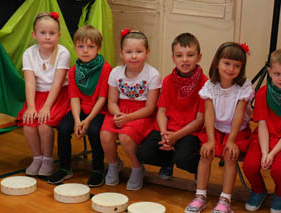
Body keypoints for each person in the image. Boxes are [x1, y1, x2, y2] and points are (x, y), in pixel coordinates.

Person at [185, 42, 255, 213]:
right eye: (227, 63)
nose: (231, 69)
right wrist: (209, 140)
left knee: (230, 155)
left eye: (237, 66)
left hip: (236, 131)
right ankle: (200, 196)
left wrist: (231, 141)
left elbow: (239, 115)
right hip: (215, 129)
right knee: (205, 153)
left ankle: (225, 200)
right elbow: (209, 114)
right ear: (217, 63)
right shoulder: (210, 86)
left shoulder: (244, 86)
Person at [136, 33, 208, 181]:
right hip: (167, 128)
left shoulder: (205, 84)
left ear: (199, 57)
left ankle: (198, 168)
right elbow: (161, 111)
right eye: (179, 55)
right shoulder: (168, 80)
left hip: (189, 131)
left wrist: (175, 137)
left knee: (183, 160)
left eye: (190, 55)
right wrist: (164, 134)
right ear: (173, 58)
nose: (185, 60)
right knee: (143, 154)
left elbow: (200, 121)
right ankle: (167, 161)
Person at [47, 25, 112, 187]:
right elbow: (74, 98)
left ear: (98, 48)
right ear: (75, 47)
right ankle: (65, 168)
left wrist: (88, 120)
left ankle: (98, 169)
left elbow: (102, 99)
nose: (85, 51)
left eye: (90, 47)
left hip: (98, 110)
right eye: (81, 46)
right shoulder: (74, 70)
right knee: (63, 128)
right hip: (79, 110)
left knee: (94, 131)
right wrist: (77, 120)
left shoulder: (105, 69)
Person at [100, 29, 161, 191]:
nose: (134, 56)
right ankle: (114, 164)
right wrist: (117, 113)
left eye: (139, 51)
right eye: (129, 52)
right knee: (105, 134)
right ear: (121, 53)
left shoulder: (153, 74)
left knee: (126, 136)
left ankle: (137, 167)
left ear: (147, 53)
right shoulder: (115, 72)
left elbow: (150, 108)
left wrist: (128, 118)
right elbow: (112, 102)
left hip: (141, 113)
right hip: (119, 110)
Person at [17, 12, 71, 177]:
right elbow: (30, 82)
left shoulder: (63, 53)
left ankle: (48, 159)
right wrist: (31, 106)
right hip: (37, 94)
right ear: (34, 35)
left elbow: (57, 83)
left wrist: (46, 107)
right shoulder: (29, 54)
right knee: (28, 123)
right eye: (43, 33)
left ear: (58, 35)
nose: (47, 37)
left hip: (58, 94)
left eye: (52, 33)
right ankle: (37, 157)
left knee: (43, 123)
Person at [243, 49, 281, 212]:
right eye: (277, 73)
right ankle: (258, 191)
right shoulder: (262, 93)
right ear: (269, 72)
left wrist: (272, 155)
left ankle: (280, 194)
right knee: (250, 165)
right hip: (263, 137)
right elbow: (263, 125)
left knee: (278, 170)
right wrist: (265, 153)